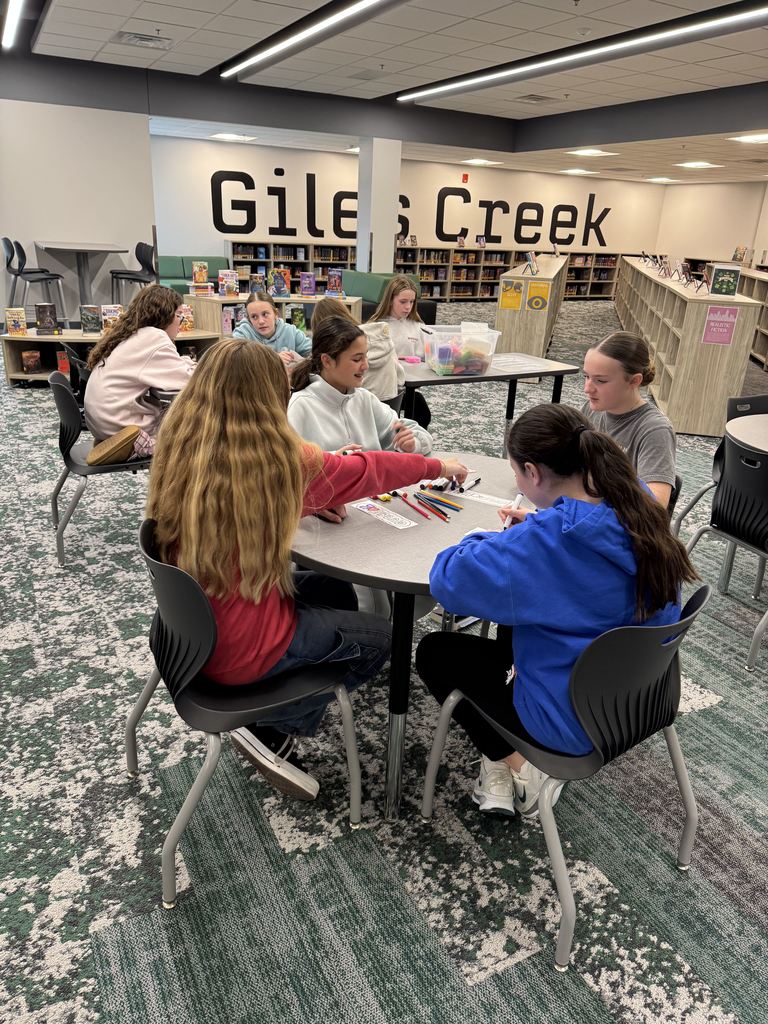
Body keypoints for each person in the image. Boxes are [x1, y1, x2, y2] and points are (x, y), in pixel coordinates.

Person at [146, 339, 467, 801]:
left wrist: (307, 498)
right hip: (242, 650)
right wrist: (436, 466)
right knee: (381, 638)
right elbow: (370, 469)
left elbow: (241, 504)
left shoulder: (182, 445)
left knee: (335, 589)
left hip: (192, 628)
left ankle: (278, 704)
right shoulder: (279, 462)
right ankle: (270, 723)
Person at [416, 403, 697, 818]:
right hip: (640, 698)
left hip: (568, 721)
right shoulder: (634, 497)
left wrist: (498, 538)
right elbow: (578, 562)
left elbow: (448, 579)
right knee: (520, 612)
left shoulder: (548, 542)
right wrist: (539, 524)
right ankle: (505, 763)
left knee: (435, 652)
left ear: (532, 472)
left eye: (516, 473)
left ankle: (518, 764)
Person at [288, 316, 432, 455]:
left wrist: (412, 444)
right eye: (357, 359)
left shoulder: (365, 399)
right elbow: (289, 462)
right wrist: (332, 460)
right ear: (327, 361)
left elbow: (417, 433)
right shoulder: (300, 406)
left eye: (365, 356)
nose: (365, 366)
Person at [84, 284, 195, 456]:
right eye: (179, 315)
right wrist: (199, 365)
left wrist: (186, 363)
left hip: (104, 425)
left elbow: (173, 367)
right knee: (198, 428)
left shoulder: (134, 334)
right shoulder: (155, 337)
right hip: (124, 432)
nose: (181, 322)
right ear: (165, 314)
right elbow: (188, 379)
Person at [581, 331, 676, 507]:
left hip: (616, 518)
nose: (587, 388)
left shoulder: (654, 430)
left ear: (634, 381)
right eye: (586, 376)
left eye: (600, 381)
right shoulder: (591, 409)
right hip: (588, 509)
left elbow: (655, 506)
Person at [311, 297, 405, 402]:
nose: (366, 366)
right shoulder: (382, 338)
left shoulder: (344, 348)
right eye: (357, 359)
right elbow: (400, 378)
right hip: (391, 402)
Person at [368, 276, 432, 427]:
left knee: (421, 413)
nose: (408, 307)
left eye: (412, 302)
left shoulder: (416, 325)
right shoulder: (376, 327)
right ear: (390, 300)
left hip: (407, 385)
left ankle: (413, 439)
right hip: (382, 390)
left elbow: (428, 353)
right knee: (390, 420)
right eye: (403, 302)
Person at [233, 291, 311, 365]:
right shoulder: (242, 334)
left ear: (276, 314)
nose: (261, 321)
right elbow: (237, 362)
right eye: (254, 317)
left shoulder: (291, 332)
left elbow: (313, 353)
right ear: (249, 319)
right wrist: (273, 359)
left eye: (265, 314)